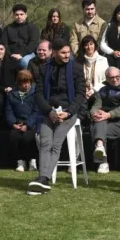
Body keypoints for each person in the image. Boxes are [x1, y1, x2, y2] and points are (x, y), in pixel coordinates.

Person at [27, 38, 86, 195]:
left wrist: (68, 113)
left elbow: (80, 95)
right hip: (49, 112)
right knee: (45, 142)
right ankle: (43, 179)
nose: (67, 55)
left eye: (68, 52)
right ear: (54, 52)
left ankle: (43, 178)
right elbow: (38, 94)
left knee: (56, 143)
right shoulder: (45, 69)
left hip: (69, 112)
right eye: (63, 53)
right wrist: (49, 112)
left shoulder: (77, 69)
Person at [89, 67, 120, 174]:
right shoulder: (102, 91)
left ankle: (102, 161)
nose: (115, 80)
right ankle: (100, 145)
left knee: (98, 128)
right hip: (103, 121)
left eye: (117, 77)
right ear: (107, 78)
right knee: (99, 121)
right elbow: (96, 106)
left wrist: (108, 115)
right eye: (111, 78)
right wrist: (94, 113)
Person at [5, 70, 41, 172]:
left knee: (27, 138)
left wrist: (28, 125)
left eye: (28, 82)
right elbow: (9, 111)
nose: (26, 85)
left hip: (31, 124)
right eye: (23, 82)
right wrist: (13, 123)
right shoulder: (12, 95)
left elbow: (36, 111)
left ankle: (32, 161)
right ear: (19, 83)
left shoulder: (35, 94)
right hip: (17, 123)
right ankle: (20, 161)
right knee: (13, 137)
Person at [1, 4, 40, 69]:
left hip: (28, 54)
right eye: (17, 14)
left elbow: (33, 43)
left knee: (24, 62)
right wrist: (10, 55)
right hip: (10, 54)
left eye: (21, 14)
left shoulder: (32, 27)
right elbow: (4, 44)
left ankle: (25, 79)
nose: (19, 17)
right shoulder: (7, 28)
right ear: (13, 15)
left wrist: (21, 55)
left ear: (26, 15)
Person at [76, 35, 109, 111]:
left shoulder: (103, 60)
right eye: (86, 45)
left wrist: (93, 90)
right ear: (83, 47)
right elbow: (76, 79)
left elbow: (106, 80)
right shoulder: (78, 61)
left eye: (91, 44)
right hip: (83, 93)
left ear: (95, 45)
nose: (89, 47)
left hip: (99, 92)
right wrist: (84, 90)